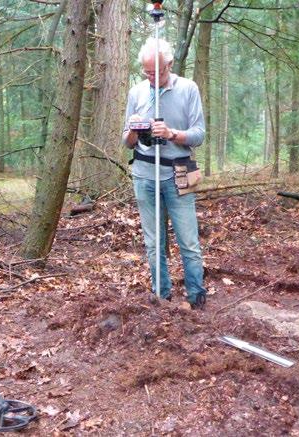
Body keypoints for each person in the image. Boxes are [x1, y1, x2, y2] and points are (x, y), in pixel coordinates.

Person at [122, 37, 207, 310]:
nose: (151, 77)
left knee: (189, 240)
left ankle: (196, 298)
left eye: (156, 71)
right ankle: (162, 297)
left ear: (169, 65)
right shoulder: (136, 93)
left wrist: (172, 133)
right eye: (146, 71)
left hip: (180, 170)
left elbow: (199, 135)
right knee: (153, 242)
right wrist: (135, 130)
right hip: (144, 173)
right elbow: (126, 139)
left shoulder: (188, 89)